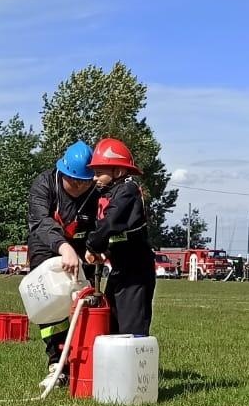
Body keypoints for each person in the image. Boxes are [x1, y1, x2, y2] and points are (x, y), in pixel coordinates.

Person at [27, 141, 98, 376]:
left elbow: (99, 225)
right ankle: (57, 360)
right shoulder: (44, 184)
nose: (78, 187)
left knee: (84, 301)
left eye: (84, 183)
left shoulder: (95, 193)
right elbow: (40, 222)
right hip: (46, 245)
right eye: (73, 181)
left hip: (79, 247)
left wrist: (96, 248)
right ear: (63, 172)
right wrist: (62, 247)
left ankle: (84, 355)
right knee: (51, 304)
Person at [84, 138, 156, 335]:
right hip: (120, 270)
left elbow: (111, 223)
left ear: (118, 171)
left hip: (135, 272)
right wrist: (103, 250)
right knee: (112, 323)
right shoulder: (112, 193)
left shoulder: (127, 191)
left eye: (99, 173)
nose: (94, 178)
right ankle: (116, 365)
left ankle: (135, 365)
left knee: (131, 329)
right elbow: (118, 234)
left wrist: (93, 246)